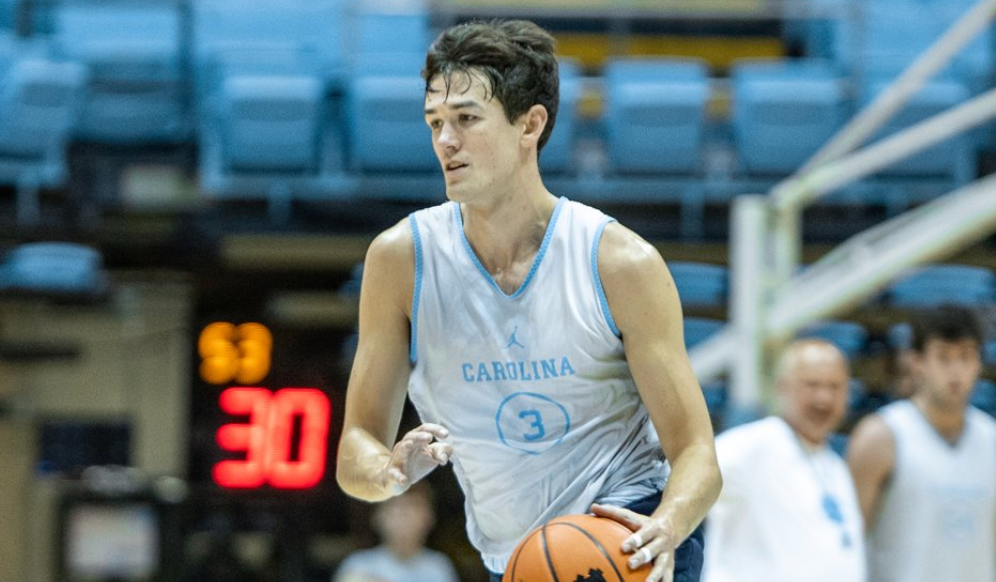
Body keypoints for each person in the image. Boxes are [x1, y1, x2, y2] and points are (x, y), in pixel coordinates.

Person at [335, 19, 721, 582]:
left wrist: (670, 521)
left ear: (530, 124)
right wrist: (389, 470)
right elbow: (354, 449)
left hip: (624, 535)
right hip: (514, 561)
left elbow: (697, 455)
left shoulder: (618, 263)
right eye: (435, 122)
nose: (446, 141)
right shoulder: (400, 260)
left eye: (467, 119)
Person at [847, 305, 996, 582]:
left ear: (978, 363)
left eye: (966, 356)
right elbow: (844, 546)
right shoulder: (881, 437)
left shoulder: (990, 440)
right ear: (916, 362)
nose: (955, 371)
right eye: (943, 357)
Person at [701, 339, 866, 582]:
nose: (824, 399)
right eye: (812, 385)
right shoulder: (753, 445)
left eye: (835, 387)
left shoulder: (835, 465)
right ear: (782, 387)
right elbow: (687, 477)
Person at [333, 482, 458, 582]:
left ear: (429, 517)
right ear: (378, 517)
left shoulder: (439, 568)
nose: (403, 516)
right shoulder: (357, 567)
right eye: (395, 507)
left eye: (412, 506)